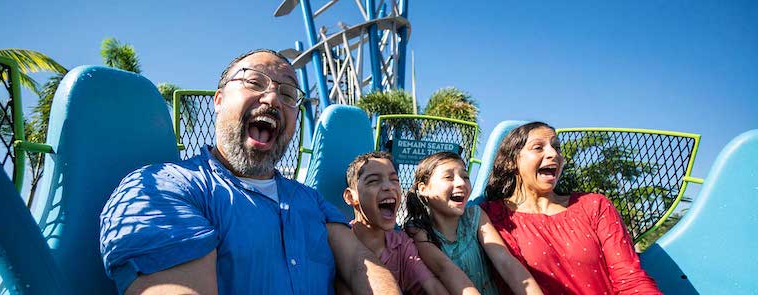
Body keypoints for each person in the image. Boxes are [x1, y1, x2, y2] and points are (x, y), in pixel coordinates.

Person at [99, 49, 399, 295]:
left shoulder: (312, 201)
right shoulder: (160, 190)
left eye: (287, 94)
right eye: (254, 83)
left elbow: (359, 263)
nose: (271, 99)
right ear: (219, 100)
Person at [480, 121, 661, 294]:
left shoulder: (594, 206)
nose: (554, 154)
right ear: (512, 161)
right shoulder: (490, 216)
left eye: (556, 147)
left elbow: (630, 279)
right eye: (538, 147)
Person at [404, 152, 543, 295]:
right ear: (423, 189)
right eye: (448, 177)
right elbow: (443, 268)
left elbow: (505, 261)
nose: (461, 183)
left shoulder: (474, 216)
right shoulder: (419, 230)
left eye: (465, 177)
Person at [340, 151, 455, 294]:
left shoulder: (402, 244)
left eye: (394, 180)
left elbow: (431, 285)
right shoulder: (340, 242)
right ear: (351, 197)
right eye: (374, 181)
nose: (389, 186)